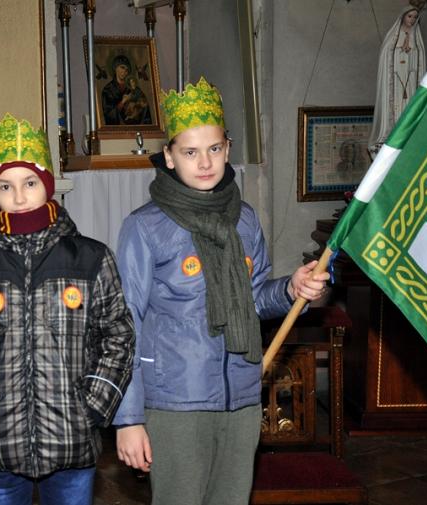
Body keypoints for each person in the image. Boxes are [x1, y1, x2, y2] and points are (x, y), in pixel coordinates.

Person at [113, 78, 330, 505]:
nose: (205, 162)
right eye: (190, 152)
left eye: (214, 148)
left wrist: (291, 289)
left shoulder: (244, 220)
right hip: (176, 401)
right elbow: (125, 324)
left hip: (242, 396)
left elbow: (254, 299)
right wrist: (128, 419)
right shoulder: (144, 227)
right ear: (169, 157)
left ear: (228, 149)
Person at [0, 113, 135, 505]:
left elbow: (118, 336)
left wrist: (92, 407)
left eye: (30, 183)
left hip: (70, 440)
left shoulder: (91, 258)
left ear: (47, 185)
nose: (19, 197)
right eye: (6, 186)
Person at [368, 4, 425, 153]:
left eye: (415, 17)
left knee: (408, 104)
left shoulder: (417, 38)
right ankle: (392, 134)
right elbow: (386, 54)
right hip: (395, 80)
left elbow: (420, 59)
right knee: (395, 105)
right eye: (409, 16)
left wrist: (411, 51)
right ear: (403, 16)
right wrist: (399, 50)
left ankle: (408, 134)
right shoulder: (392, 38)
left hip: (410, 79)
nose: (412, 20)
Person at [101, 54, 152, 125]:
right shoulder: (108, 90)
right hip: (117, 130)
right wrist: (122, 102)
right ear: (115, 68)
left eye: (127, 70)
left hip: (135, 128)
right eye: (122, 67)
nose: (124, 71)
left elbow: (145, 110)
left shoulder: (134, 88)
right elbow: (108, 115)